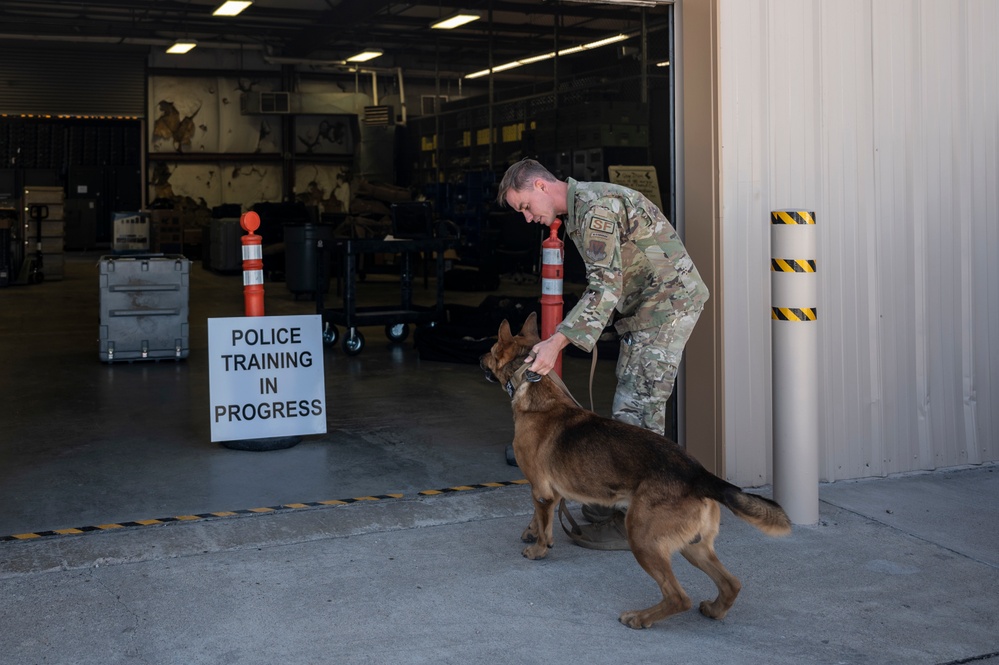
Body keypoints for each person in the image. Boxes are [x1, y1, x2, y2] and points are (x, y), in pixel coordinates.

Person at [496, 158, 709, 550]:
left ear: (541, 187)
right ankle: (615, 501)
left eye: (525, 206)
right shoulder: (583, 207)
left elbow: (605, 288)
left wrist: (556, 341)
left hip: (664, 308)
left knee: (637, 413)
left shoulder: (594, 210)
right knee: (629, 409)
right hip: (646, 309)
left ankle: (632, 520)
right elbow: (610, 280)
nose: (527, 218)